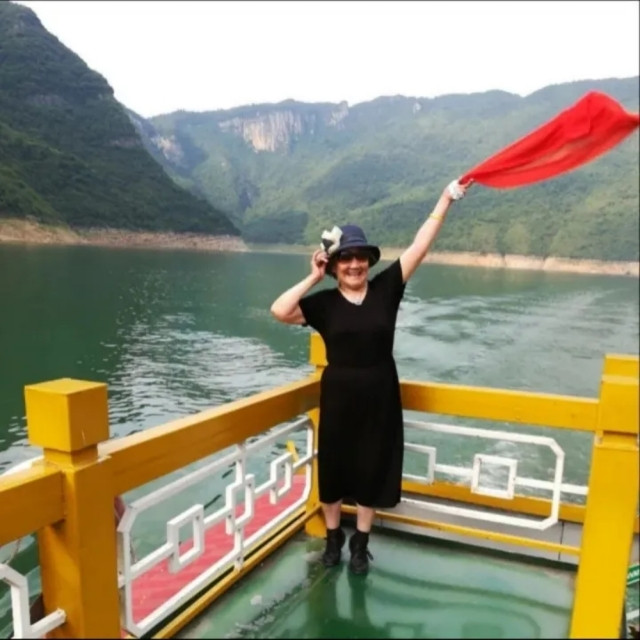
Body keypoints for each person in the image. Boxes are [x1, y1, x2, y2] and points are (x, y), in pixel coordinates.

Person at [270, 178, 471, 574]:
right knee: (333, 468)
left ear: (369, 261)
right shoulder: (324, 304)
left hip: (380, 394)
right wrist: (313, 277)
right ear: (334, 266)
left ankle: (360, 544)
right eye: (345, 258)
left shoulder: (385, 290)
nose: (354, 264)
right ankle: (333, 538)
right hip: (339, 397)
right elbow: (280, 310)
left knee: (371, 467)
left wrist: (444, 199)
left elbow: (419, 246)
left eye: (360, 257)